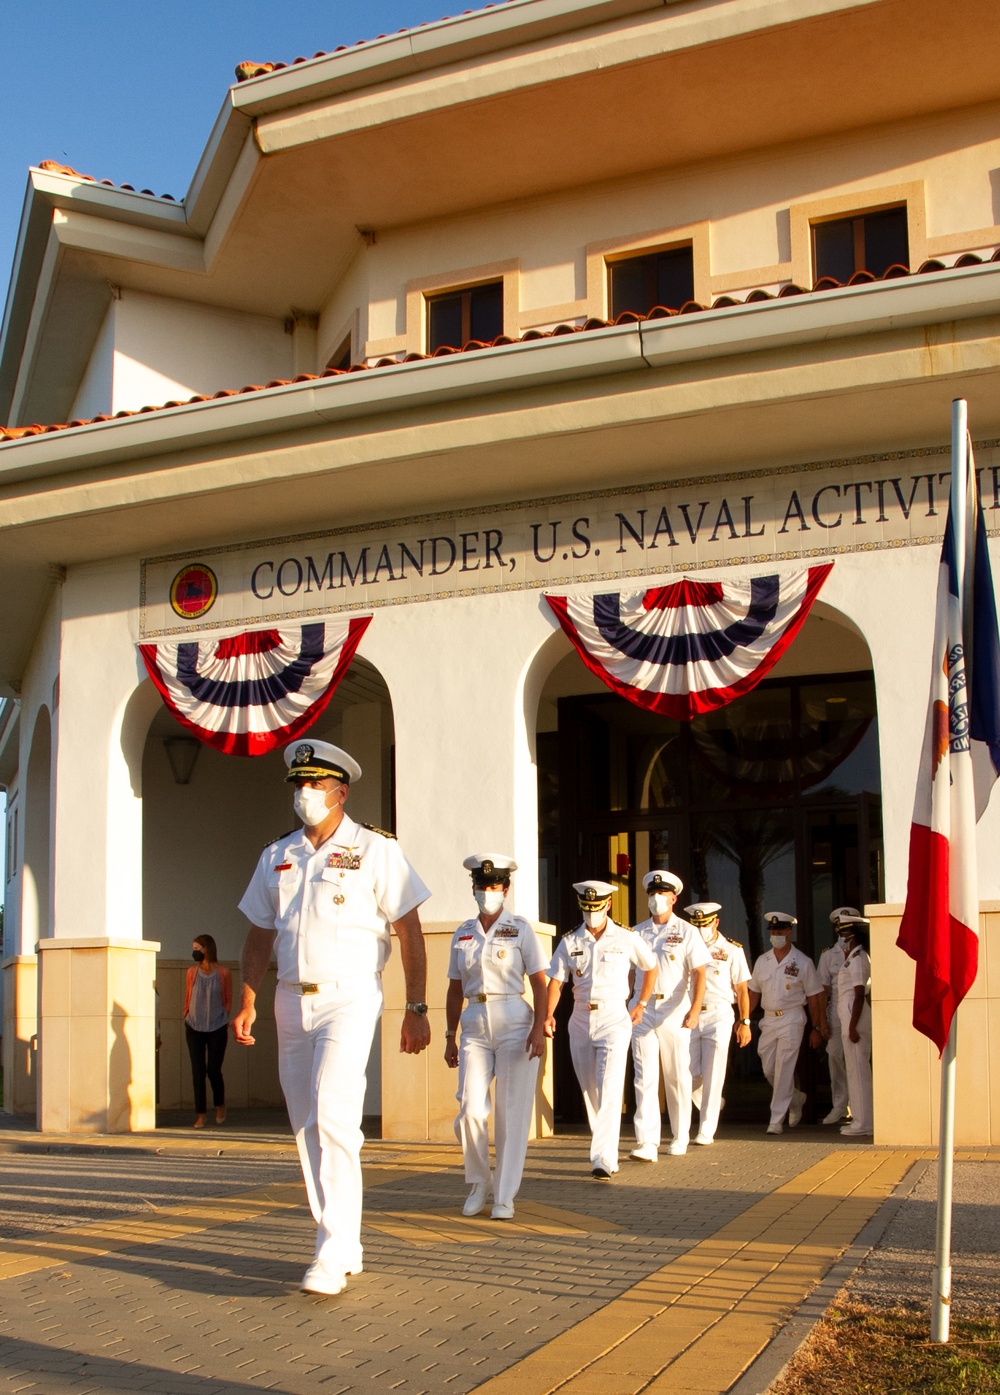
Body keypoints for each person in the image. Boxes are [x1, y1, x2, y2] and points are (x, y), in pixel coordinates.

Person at [233, 739, 431, 1296]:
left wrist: (415, 1007)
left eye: (316, 784)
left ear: (341, 791)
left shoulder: (375, 850)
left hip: (350, 996)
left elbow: (410, 932)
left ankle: (330, 1248)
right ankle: (344, 1241)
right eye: (299, 784)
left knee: (334, 1114)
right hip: (290, 999)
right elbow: (257, 934)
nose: (305, 794)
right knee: (306, 1125)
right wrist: (248, 998)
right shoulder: (277, 854)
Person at [444, 855, 548, 1219]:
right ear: (473, 889)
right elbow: (455, 989)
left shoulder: (520, 929)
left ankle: (504, 1195)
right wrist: (448, 1035)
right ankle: (478, 1181)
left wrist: (540, 1027)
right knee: (471, 1109)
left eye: (493, 887)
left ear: (505, 889)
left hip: (515, 1020)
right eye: (481, 887)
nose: (487, 893)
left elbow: (539, 981)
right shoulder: (463, 933)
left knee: (510, 1113)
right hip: (474, 1022)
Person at [545, 880, 656, 1178]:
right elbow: (556, 982)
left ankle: (603, 1157)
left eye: (596, 908)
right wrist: (548, 1015)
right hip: (580, 1018)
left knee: (609, 1086)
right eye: (586, 908)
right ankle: (604, 1146)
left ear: (607, 905)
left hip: (614, 1017)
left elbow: (651, 965)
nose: (591, 914)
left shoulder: (626, 937)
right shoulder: (570, 941)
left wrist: (641, 1003)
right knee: (588, 1089)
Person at [628, 871, 710, 1161]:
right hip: (642, 1010)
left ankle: (680, 1135)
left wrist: (695, 1008)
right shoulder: (636, 933)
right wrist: (630, 1002)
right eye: (652, 894)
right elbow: (629, 972)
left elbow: (699, 972)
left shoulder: (687, 931)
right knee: (644, 1077)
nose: (655, 899)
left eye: (661, 894)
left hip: (674, 1009)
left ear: (673, 898)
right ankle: (647, 1142)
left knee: (676, 1075)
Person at [747, 912, 826, 1135]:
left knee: (783, 1068)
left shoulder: (802, 962)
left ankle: (776, 1119)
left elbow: (814, 997)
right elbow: (753, 991)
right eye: (772, 932)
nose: (775, 936)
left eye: (780, 932)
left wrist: (816, 1028)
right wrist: (743, 1018)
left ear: (789, 932)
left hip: (792, 1018)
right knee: (768, 1066)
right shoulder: (763, 961)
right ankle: (796, 1098)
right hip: (769, 1019)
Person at [685, 902, 752, 1146]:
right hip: (690, 1014)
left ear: (716, 922)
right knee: (687, 1073)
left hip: (719, 1014)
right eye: (697, 924)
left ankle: (706, 1129)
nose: (701, 928)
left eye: (705, 923)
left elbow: (742, 988)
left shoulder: (731, 950)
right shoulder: (686, 946)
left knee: (714, 1073)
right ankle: (710, 1101)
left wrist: (745, 1021)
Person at [184, 933, 232, 1129]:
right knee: (197, 1071)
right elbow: (188, 994)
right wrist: (186, 1013)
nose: (195, 952)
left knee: (213, 1069)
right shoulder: (191, 972)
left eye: (198, 949)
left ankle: (220, 1105)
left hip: (217, 1026)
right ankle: (201, 1114)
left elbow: (227, 997)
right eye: (193, 948)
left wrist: (224, 1016)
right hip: (194, 1025)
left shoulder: (223, 973)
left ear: (207, 949)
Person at [816, 907, 858, 1125]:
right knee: (834, 1054)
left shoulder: (862, 951)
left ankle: (857, 1104)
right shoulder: (827, 955)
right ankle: (840, 1104)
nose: (843, 934)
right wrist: (822, 1019)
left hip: (858, 1007)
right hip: (836, 1008)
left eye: (847, 929)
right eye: (840, 929)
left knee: (857, 1056)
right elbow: (823, 989)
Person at [836, 915, 873, 1138]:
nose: (840, 938)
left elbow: (859, 993)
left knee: (859, 1073)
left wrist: (852, 1026)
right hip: (849, 1014)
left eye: (843, 933)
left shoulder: (858, 958)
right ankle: (861, 1119)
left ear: (852, 935)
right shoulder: (851, 957)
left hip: (855, 1017)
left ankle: (863, 1123)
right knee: (854, 1070)